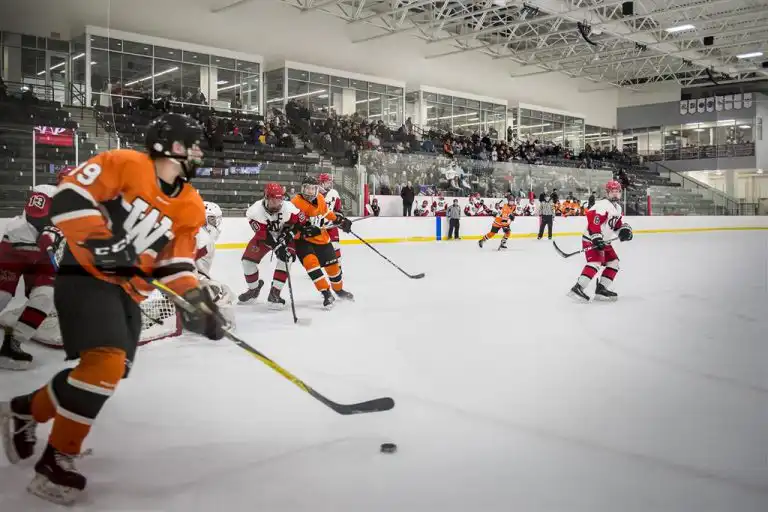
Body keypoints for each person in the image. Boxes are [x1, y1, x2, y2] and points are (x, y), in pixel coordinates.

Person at [0, 113, 227, 506]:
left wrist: (195, 298)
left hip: (129, 293)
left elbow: (174, 263)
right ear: (165, 145)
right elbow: (69, 197)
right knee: (103, 366)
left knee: (107, 371)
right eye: (189, 145)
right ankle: (55, 461)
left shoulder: (190, 204)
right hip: (85, 276)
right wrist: (100, 242)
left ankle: (24, 410)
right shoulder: (124, 163)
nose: (196, 153)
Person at [0, 185, 65, 369]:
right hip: (15, 249)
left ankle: (12, 344)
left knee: (46, 296)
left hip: (44, 257)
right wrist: (46, 231)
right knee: (2, 294)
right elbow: (34, 215)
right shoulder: (46, 193)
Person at [291, 176, 354, 308]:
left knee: (334, 268)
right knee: (311, 264)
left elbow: (326, 213)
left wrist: (339, 220)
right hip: (303, 241)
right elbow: (289, 226)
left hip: (322, 238)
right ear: (302, 189)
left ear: (317, 189)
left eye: (312, 189)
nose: (309, 192)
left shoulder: (320, 198)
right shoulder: (295, 203)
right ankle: (326, 293)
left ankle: (339, 290)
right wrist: (302, 232)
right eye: (307, 188)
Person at [239, 183, 305, 308]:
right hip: (265, 238)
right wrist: (277, 247)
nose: (277, 204)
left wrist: (289, 233)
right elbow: (263, 235)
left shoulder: (289, 208)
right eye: (273, 200)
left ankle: (275, 293)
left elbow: (301, 221)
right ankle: (253, 289)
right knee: (247, 262)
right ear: (266, 197)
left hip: (284, 237)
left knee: (286, 259)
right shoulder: (255, 211)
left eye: (279, 200)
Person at [569, 180, 633, 302]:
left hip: (605, 241)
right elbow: (593, 221)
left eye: (617, 191)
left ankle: (601, 289)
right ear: (607, 193)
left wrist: (623, 231)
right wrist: (596, 238)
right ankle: (577, 288)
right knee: (595, 263)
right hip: (592, 239)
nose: (615, 194)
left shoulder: (618, 208)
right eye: (612, 192)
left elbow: (616, 225)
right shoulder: (602, 205)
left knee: (614, 263)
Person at [318, 173, 342, 261]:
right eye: (327, 182)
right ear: (322, 182)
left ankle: (338, 266)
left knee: (335, 246)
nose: (329, 183)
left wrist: (340, 218)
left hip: (331, 224)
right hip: (319, 226)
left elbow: (338, 209)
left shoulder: (334, 193)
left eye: (330, 182)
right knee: (320, 250)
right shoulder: (315, 193)